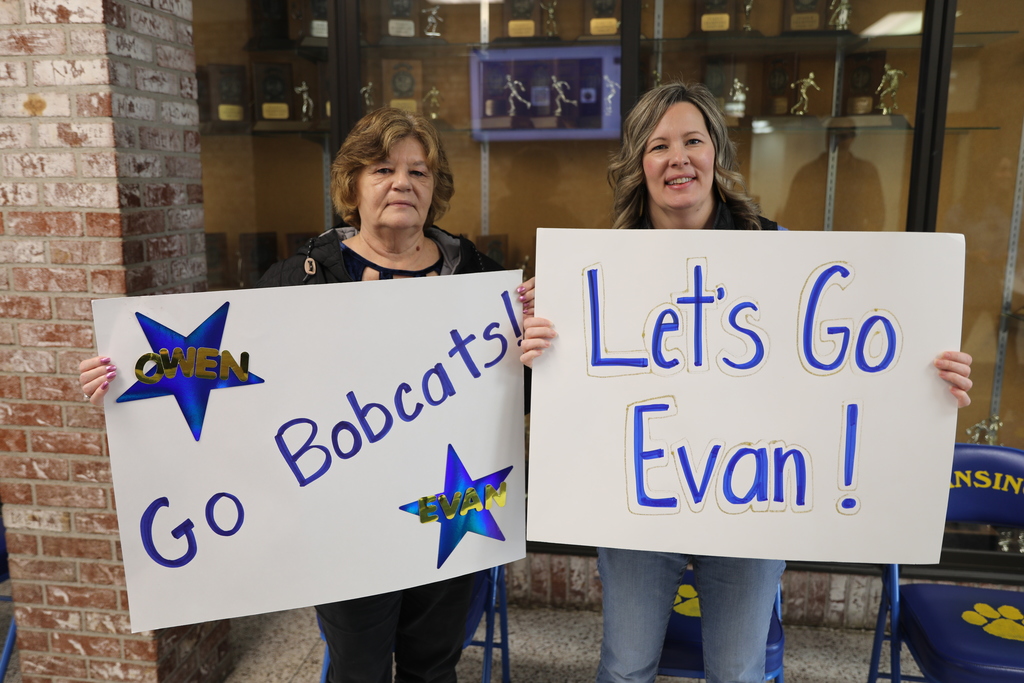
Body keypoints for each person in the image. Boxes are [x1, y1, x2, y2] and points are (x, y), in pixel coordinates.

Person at [516, 82, 974, 683]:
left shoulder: (777, 254)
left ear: (717, 156)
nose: (677, 158)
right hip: (635, 500)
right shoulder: (595, 271)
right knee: (625, 666)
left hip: (749, 499)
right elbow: (564, 388)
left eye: (693, 141)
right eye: (658, 146)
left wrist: (925, 373)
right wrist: (541, 352)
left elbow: (849, 359)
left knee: (738, 672)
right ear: (638, 165)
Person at [80, 107, 508, 683]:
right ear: (352, 185)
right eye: (383, 168)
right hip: (343, 519)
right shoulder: (301, 279)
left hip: (451, 506)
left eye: (420, 172)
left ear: (436, 189)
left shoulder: (480, 277)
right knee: (357, 670)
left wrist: (535, 348)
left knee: (434, 666)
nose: (403, 182)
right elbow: (232, 372)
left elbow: (517, 385)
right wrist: (131, 374)